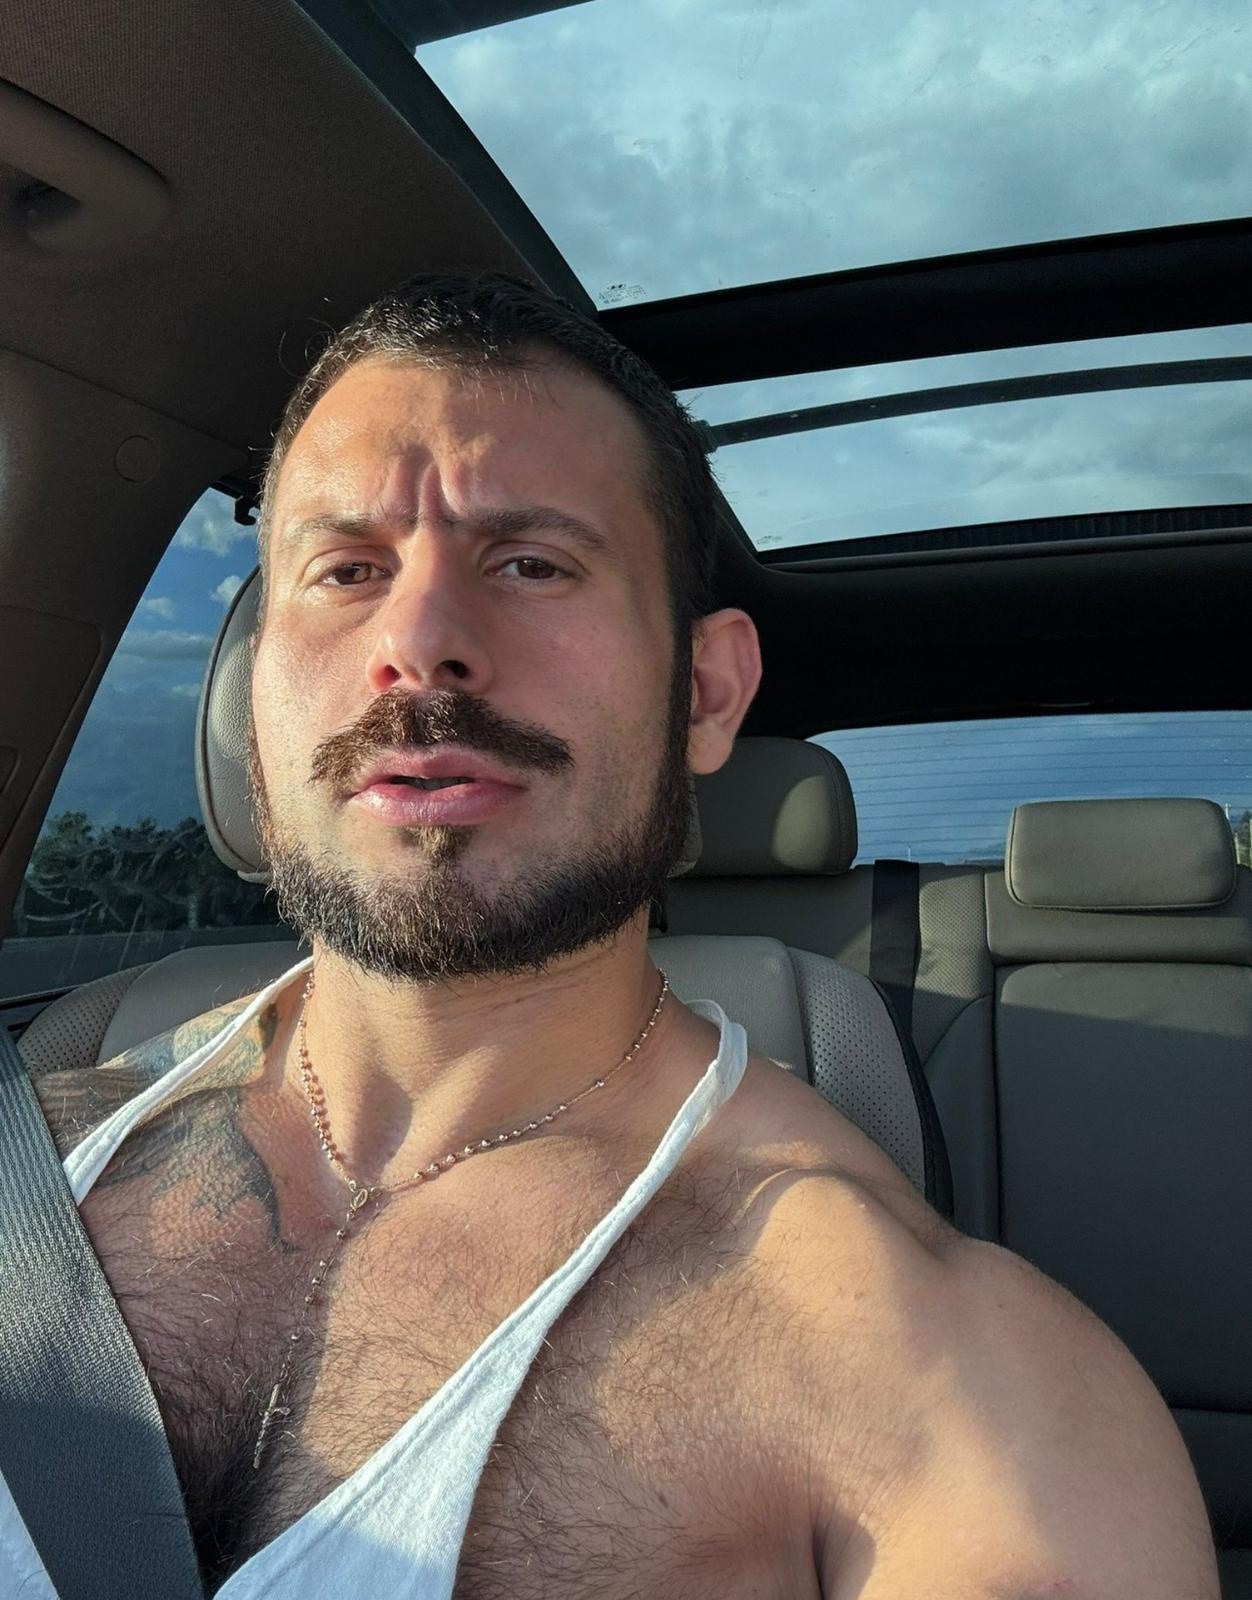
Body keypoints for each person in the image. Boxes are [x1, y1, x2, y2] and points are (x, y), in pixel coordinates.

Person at [28, 275, 1217, 1598]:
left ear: (705, 694)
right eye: (347, 570)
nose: (418, 645)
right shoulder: (47, 1125)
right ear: (255, 693)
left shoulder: (933, 1376)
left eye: (531, 564)